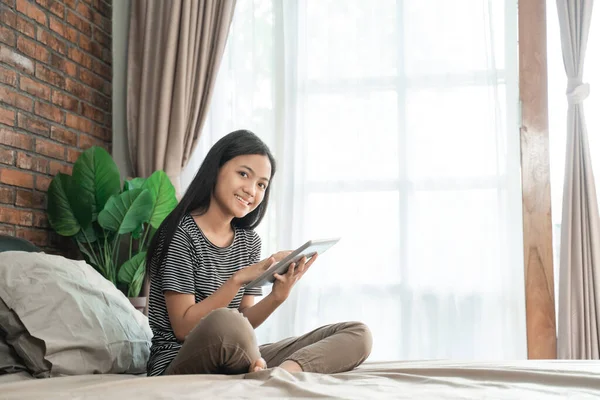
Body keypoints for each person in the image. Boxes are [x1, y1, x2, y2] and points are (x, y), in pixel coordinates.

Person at [145, 130, 372, 377]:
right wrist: (237, 280)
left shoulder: (248, 242)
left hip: (235, 350)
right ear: (216, 169)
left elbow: (245, 320)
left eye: (261, 184)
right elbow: (184, 327)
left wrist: (277, 296)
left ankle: (279, 374)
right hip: (176, 360)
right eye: (243, 174)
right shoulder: (180, 234)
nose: (252, 190)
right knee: (226, 322)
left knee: (358, 333)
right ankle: (257, 367)